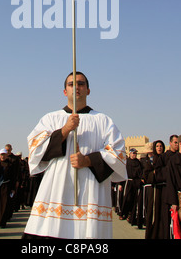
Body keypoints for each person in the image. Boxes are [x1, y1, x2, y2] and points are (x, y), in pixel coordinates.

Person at [23, 71, 127, 239]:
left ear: (88, 90)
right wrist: (64, 130)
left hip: (92, 192)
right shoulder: (51, 119)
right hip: (56, 191)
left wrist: (87, 160)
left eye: (81, 84)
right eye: (71, 84)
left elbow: (118, 154)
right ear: (65, 91)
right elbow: (35, 150)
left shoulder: (103, 120)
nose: (76, 87)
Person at [154, 134, 179, 238]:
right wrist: (169, 172)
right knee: (166, 218)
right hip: (166, 191)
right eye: (175, 142)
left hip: (179, 191)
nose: (177, 145)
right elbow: (158, 173)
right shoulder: (164, 157)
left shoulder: (180, 156)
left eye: (179, 143)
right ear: (170, 143)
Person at [143, 139, 165, 239]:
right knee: (154, 214)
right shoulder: (151, 160)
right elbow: (146, 175)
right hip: (155, 190)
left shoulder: (166, 158)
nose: (159, 148)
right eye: (157, 146)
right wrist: (155, 174)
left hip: (165, 189)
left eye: (161, 146)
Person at [119, 148, 143, 227]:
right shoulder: (126, 162)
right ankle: (123, 213)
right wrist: (120, 184)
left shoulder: (138, 162)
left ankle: (131, 215)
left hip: (136, 183)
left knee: (134, 200)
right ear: (130, 154)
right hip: (128, 182)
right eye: (133, 153)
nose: (134, 155)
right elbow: (122, 173)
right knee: (127, 198)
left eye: (135, 153)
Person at [0, 148, 17, 228]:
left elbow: (13, 177)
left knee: (5, 204)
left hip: (7, 186)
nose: (3, 156)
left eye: (4, 155)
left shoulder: (10, 164)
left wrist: (13, 188)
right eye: (1, 155)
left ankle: (3, 221)